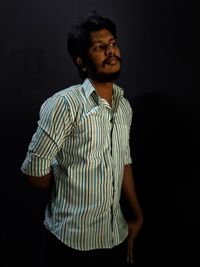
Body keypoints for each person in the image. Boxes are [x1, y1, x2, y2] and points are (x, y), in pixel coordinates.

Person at [21, 11, 143, 266]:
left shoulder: (124, 107)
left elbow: (124, 160)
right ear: (82, 62)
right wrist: (70, 182)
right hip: (72, 244)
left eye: (113, 44)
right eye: (100, 47)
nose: (111, 51)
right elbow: (34, 172)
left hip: (116, 238)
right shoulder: (64, 105)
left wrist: (136, 215)